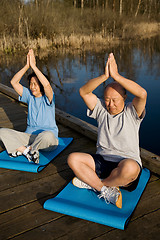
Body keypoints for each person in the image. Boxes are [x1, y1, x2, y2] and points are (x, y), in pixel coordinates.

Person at [67, 53, 147, 208]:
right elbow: (83, 91)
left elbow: (142, 94)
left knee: (130, 168)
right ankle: (104, 189)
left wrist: (116, 76)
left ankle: (97, 184)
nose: (110, 104)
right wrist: (105, 76)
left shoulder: (132, 112)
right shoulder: (101, 109)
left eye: (115, 100)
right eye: (107, 100)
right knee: (73, 159)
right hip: (102, 162)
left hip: (125, 164)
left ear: (124, 98)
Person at [0, 49, 58, 164]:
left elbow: (47, 85)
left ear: (41, 85)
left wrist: (34, 67)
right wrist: (27, 66)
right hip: (29, 137)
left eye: (35, 84)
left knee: (47, 135)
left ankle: (24, 150)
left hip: (47, 140)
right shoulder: (29, 96)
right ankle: (28, 151)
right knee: (2, 132)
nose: (32, 87)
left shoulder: (49, 98)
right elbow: (14, 82)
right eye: (31, 83)